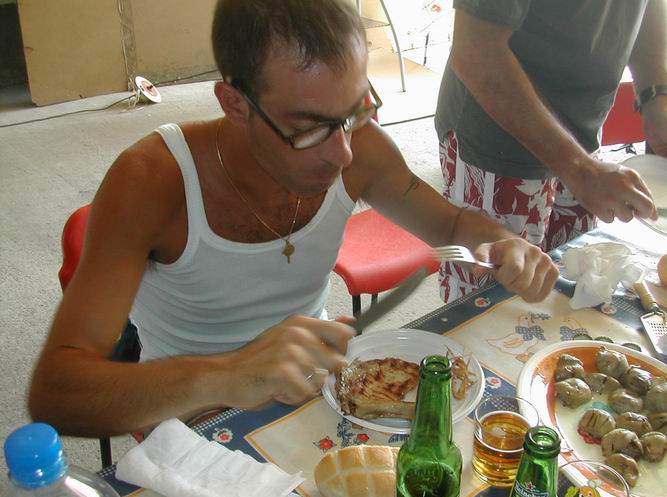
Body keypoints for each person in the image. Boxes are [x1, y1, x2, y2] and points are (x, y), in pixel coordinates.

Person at [29, 0, 559, 438]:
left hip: (316, 395)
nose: (342, 153)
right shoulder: (152, 180)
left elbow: (450, 227)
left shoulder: (358, 147)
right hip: (188, 420)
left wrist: (503, 243)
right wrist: (227, 375)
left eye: (354, 112)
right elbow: (56, 394)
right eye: (308, 129)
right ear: (234, 104)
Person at [435, 0, 664, 302]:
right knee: (495, 302)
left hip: (583, 138)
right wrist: (581, 170)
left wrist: (655, 94)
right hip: (498, 144)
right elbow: (476, 53)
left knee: (570, 294)